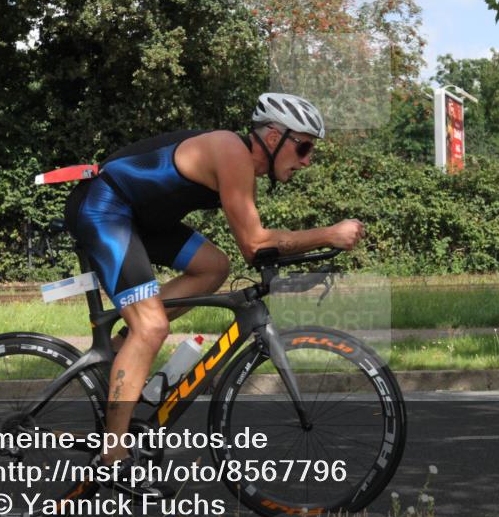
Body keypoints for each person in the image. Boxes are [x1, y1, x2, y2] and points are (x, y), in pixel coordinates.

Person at [65, 93, 364, 472]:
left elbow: (255, 250)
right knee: (151, 327)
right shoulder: (231, 152)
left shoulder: (242, 165)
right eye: (304, 147)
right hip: (104, 208)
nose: (307, 160)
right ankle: (113, 456)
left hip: (139, 218)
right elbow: (255, 244)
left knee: (213, 266)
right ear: (275, 137)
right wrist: (328, 234)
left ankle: (123, 348)